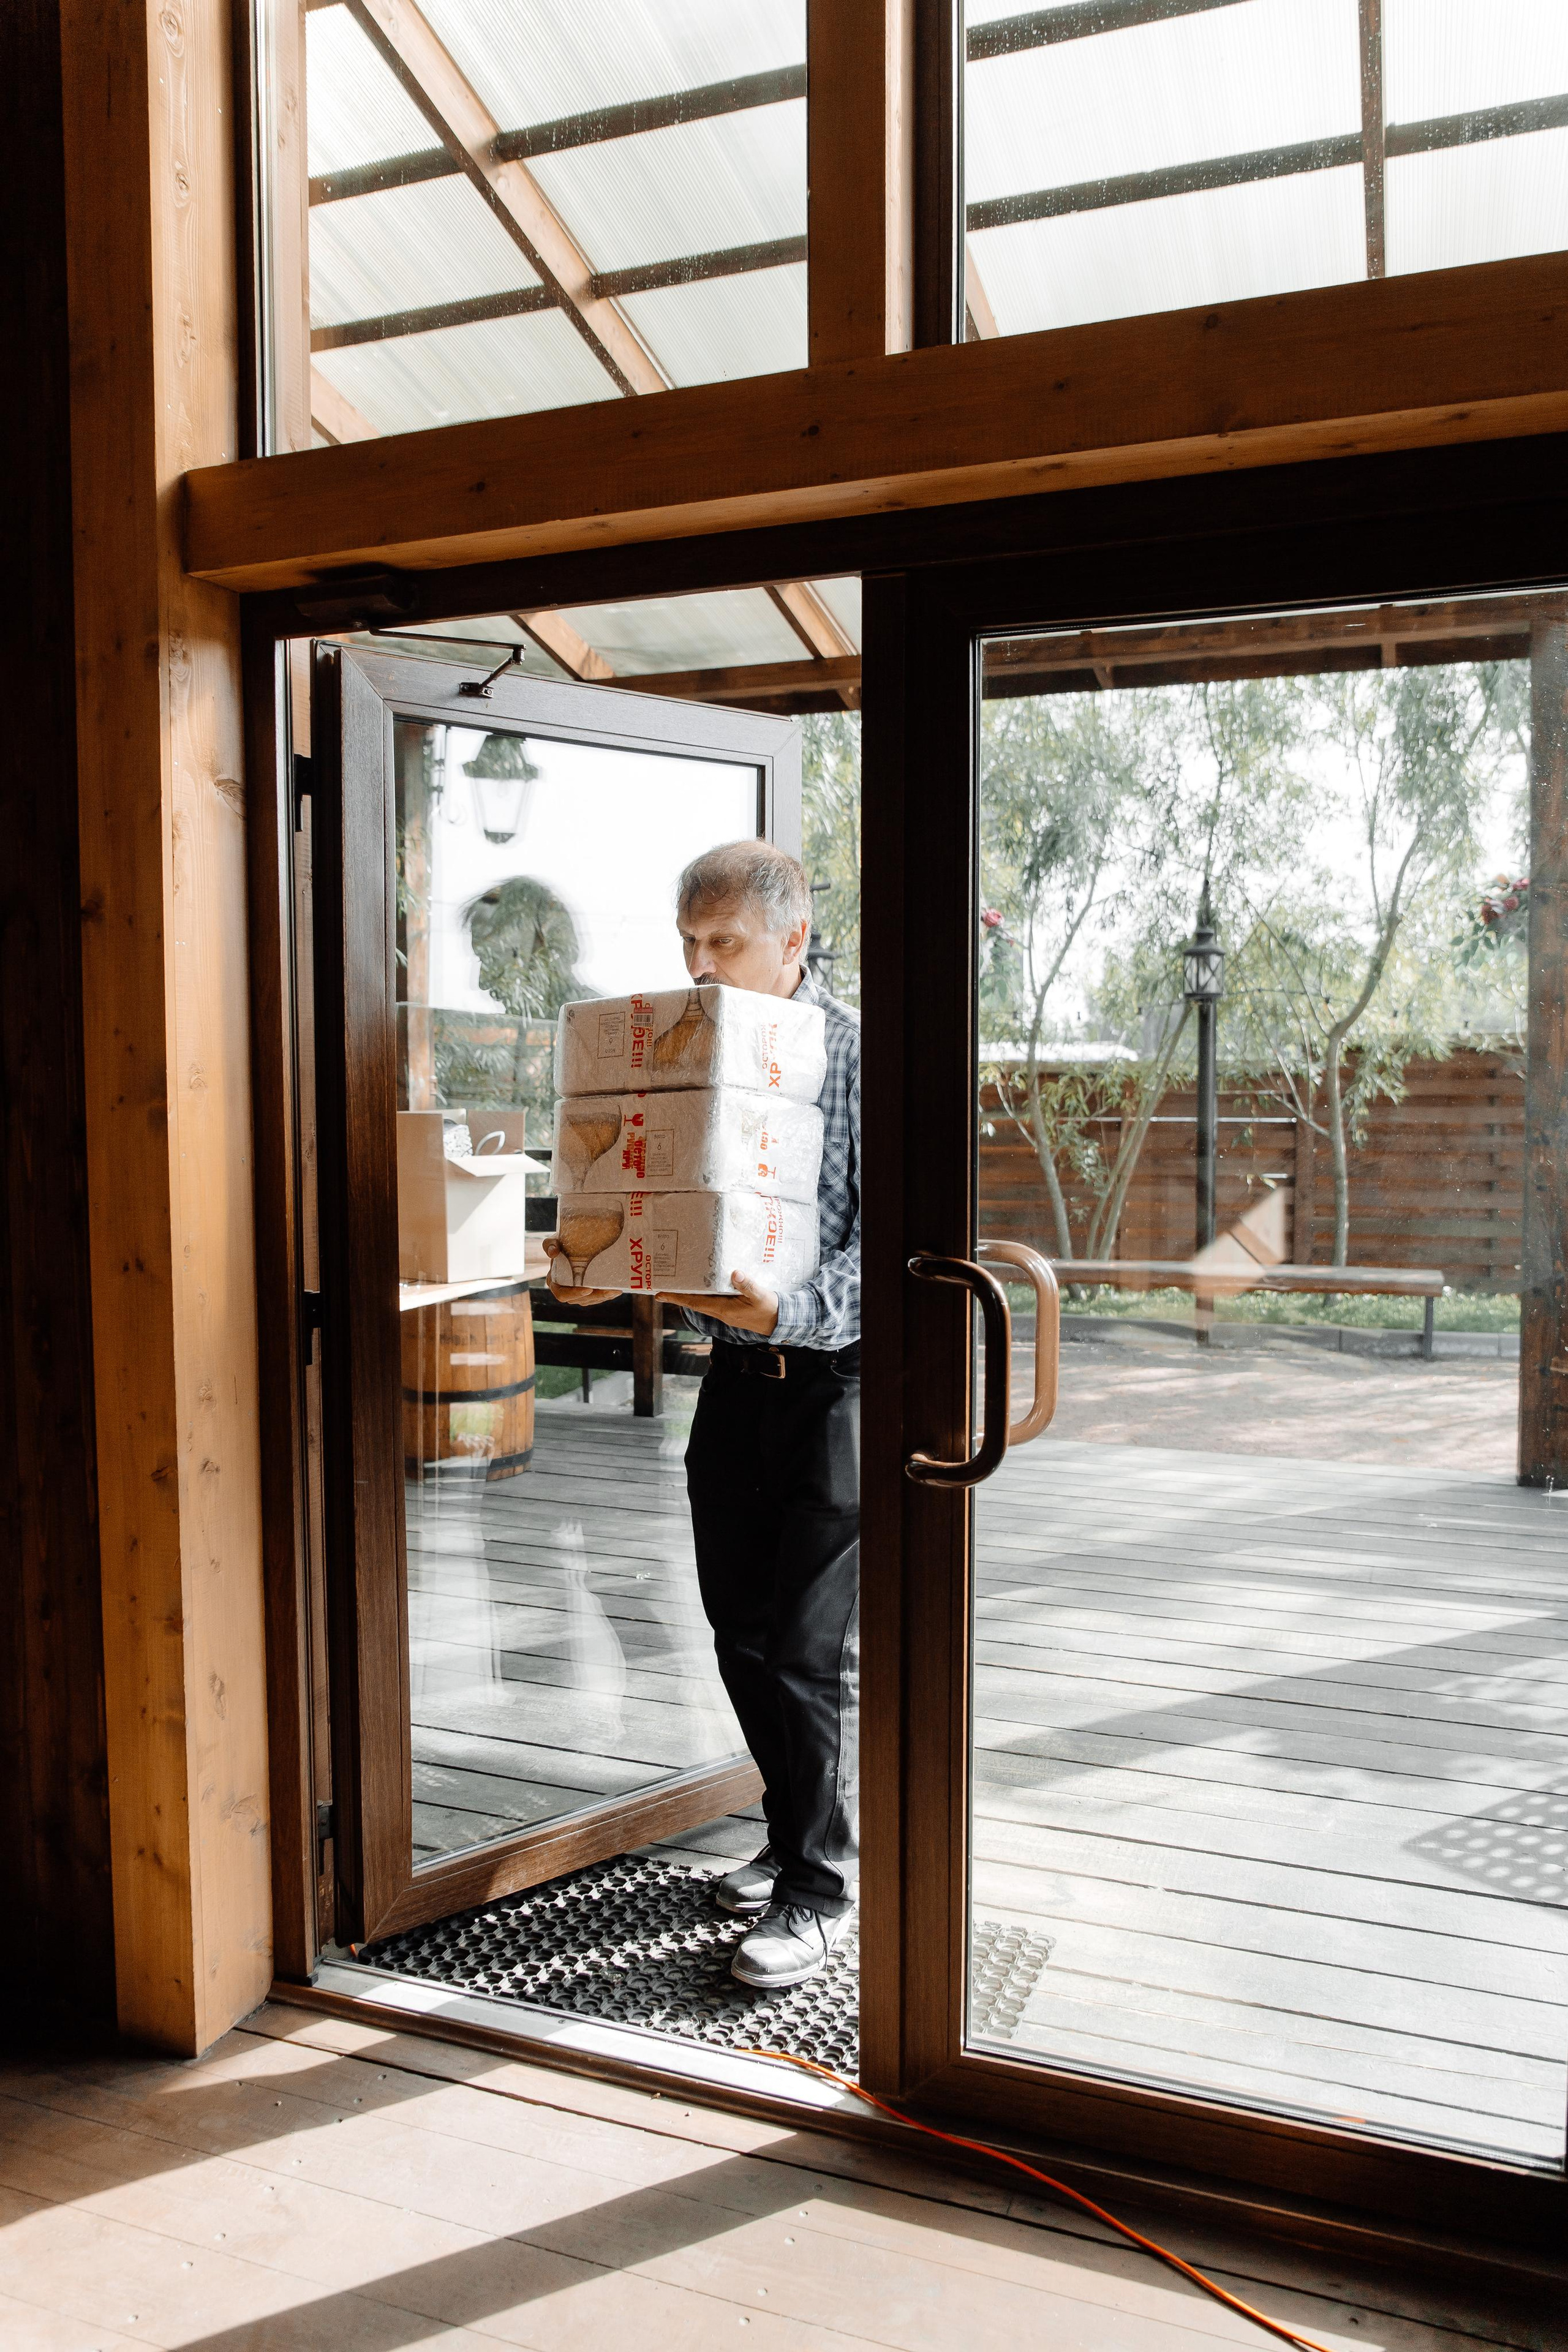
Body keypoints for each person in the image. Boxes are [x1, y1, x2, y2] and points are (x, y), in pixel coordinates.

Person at [545, 840, 860, 1991]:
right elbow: (655, 1210)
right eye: (689, 944)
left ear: (794, 938)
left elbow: (903, 1241)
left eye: (723, 943)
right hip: (729, 1385)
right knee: (736, 1635)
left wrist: (792, 1306)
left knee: (806, 1655)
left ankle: (822, 1891)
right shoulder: (685, 1057)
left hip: (836, 1389)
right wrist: (590, 1260)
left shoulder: (855, 1054)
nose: (701, 966)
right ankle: (790, 1842)